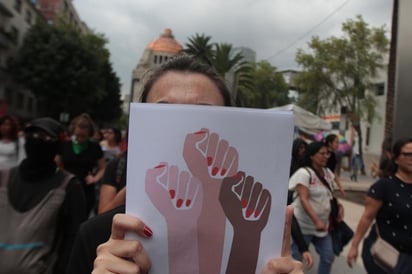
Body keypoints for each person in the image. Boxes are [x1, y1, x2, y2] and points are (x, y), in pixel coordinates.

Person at [67, 55, 303, 274]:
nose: (185, 132)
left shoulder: (263, 246)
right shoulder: (96, 238)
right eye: (165, 116)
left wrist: (247, 237)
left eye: (204, 117)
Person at [0, 117, 87, 273]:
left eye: (45, 138)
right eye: (32, 136)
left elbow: (73, 239)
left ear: (56, 145)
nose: (36, 141)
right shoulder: (4, 178)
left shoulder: (69, 187)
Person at [347, 137, 412, 273]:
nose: (411, 158)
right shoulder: (384, 186)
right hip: (384, 254)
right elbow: (367, 217)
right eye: (407, 154)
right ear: (396, 158)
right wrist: (354, 246)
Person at [289, 141, 344, 274]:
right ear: (312, 156)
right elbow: (303, 199)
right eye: (322, 153)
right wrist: (316, 220)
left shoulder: (327, 173)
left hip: (322, 228)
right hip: (304, 226)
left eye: (328, 153)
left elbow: (329, 193)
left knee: (328, 256)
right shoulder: (304, 173)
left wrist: (339, 206)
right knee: (296, 259)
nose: (326, 156)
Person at [55, 113, 106, 216]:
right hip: (65, 188)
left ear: (89, 134)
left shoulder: (94, 147)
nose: (80, 138)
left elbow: (103, 168)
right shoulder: (65, 145)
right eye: (77, 135)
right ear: (73, 131)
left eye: (84, 136)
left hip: (85, 189)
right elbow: (56, 164)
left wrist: (95, 179)